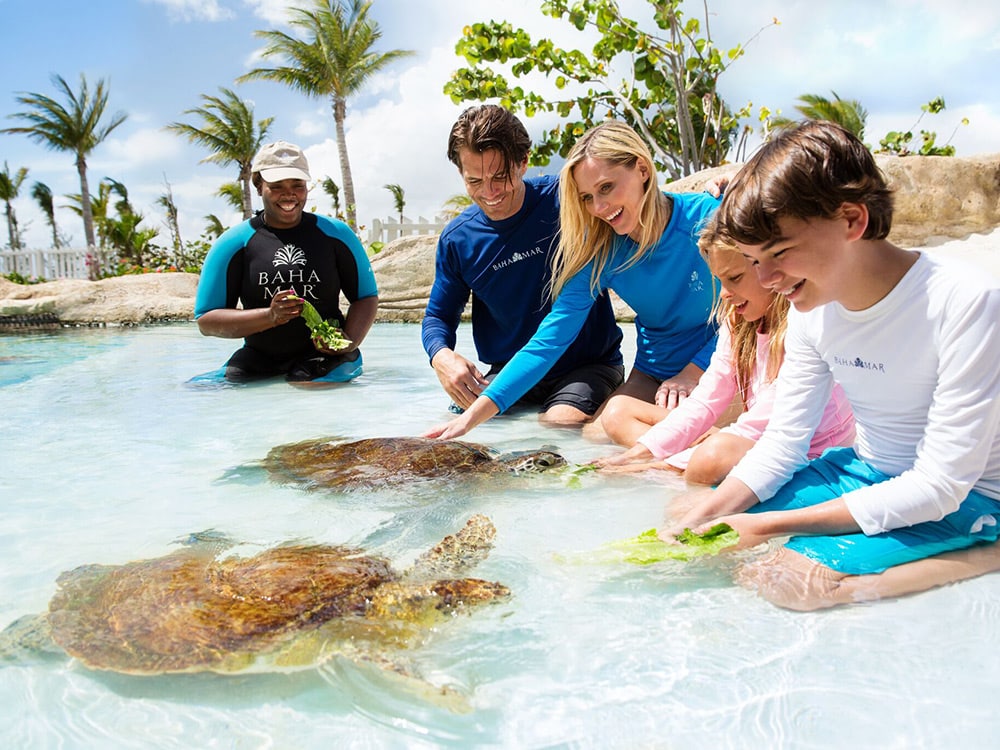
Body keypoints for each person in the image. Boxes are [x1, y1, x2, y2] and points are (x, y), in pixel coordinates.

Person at [662, 120, 1000, 610]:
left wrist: (768, 525)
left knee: (792, 581)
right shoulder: (811, 310)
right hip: (864, 470)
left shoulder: (965, 302)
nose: (768, 278)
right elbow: (782, 443)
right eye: (755, 261)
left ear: (852, 220)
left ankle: (987, 555)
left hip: (970, 495)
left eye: (778, 253)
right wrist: (710, 514)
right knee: (691, 516)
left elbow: (940, 485)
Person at [425, 120, 721, 441]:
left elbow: (760, 314)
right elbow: (548, 341)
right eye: (587, 198)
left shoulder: (709, 219)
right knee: (595, 438)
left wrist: (694, 373)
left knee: (596, 424)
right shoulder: (601, 252)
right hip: (656, 368)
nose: (599, 207)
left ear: (642, 169)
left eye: (606, 188)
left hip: (716, 360)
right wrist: (467, 421)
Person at [592, 216, 855, 485]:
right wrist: (640, 454)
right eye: (720, 280)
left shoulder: (805, 323)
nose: (724, 294)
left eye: (735, 278)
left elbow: (768, 423)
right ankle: (694, 455)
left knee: (712, 458)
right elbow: (707, 397)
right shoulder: (737, 319)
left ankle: (694, 460)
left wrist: (659, 467)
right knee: (619, 410)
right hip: (754, 437)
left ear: (771, 267)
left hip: (810, 454)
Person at [422, 104, 625, 425]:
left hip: (587, 366)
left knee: (560, 425)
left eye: (499, 177)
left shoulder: (569, 199)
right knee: (468, 426)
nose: (489, 192)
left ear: (523, 163)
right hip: (511, 371)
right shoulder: (457, 240)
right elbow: (437, 316)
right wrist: (441, 356)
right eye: (474, 180)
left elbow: (635, 199)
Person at [194, 140, 378, 387]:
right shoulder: (233, 243)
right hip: (261, 355)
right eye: (276, 186)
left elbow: (365, 296)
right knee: (208, 389)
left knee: (305, 385)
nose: (289, 194)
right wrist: (270, 316)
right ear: (259, 186)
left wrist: (349, 341)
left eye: (297, 185)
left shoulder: (336, 234)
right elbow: (206, 320)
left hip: (327, 356)